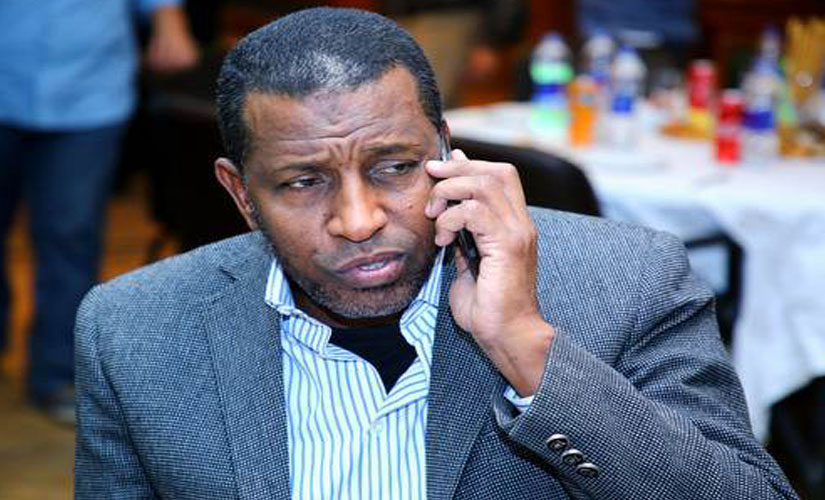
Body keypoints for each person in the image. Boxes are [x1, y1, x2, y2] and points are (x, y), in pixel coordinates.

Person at [74, 8, 798, 499]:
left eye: (394, 167)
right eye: (302, 182)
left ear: (446, 151)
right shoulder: (132, 332)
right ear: (240, 194)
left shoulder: (628, 281)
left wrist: (527, 349)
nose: (358, 221)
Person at [0, 0, 198, 422]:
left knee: (72, 235)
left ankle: (58, 374)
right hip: (7, 68)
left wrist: (168, 18)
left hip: (90, 90)